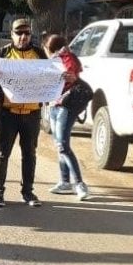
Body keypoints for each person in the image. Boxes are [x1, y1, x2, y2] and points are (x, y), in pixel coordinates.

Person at [0, 18, 57, 208]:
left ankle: (28, 192)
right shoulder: (2, 53)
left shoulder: (39, 53)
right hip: (8, 112)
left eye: (27, 33)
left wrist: (62, 78)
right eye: (19, 33)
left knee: (29, 154)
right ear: (12, 34)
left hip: (32, 113)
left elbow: (49, 78)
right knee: (2, 153)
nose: (23, 37)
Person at [45, 34, 90, 200]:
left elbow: (72, 74)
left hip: (65, 104)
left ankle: (79, 183)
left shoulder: (67, 58)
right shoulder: (55, 59)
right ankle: (65, 182)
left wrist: (70, 76)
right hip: (54, 105)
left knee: (62, 145)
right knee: (59, 145)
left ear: (49, 47)